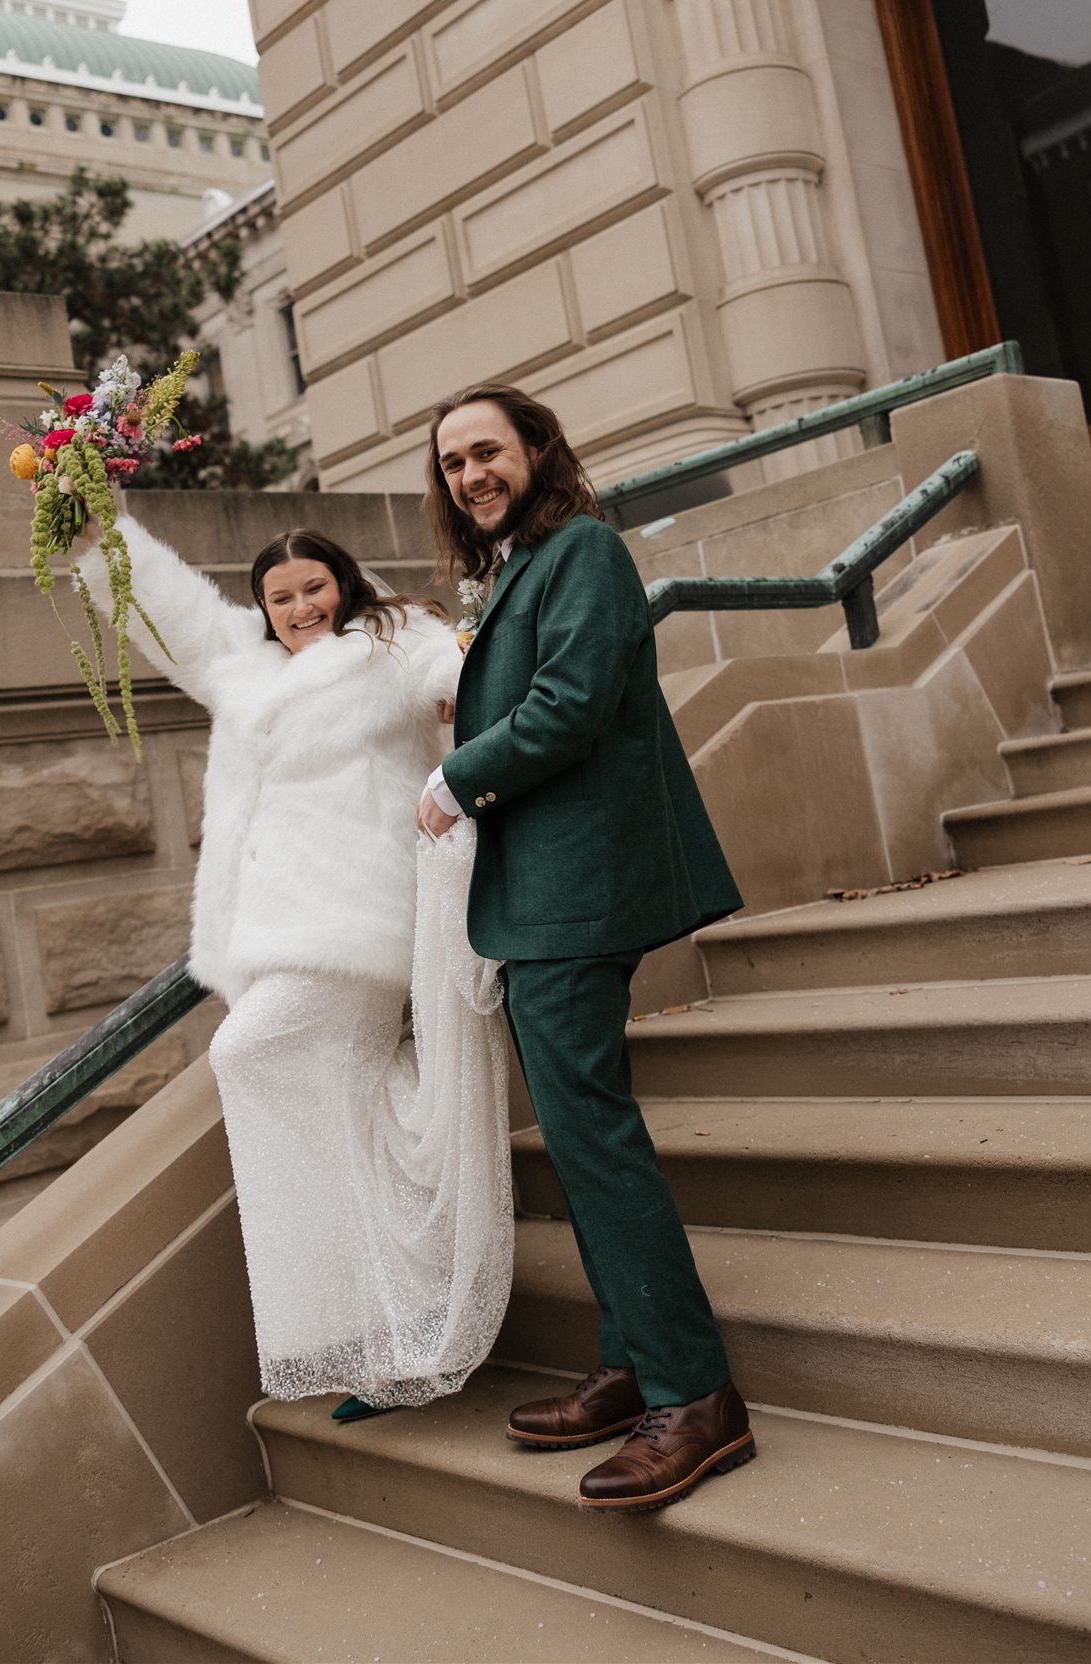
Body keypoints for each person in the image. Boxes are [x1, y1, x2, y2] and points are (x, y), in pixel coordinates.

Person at [77, 514, 513, 1417]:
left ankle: (404, 1320)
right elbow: (170, 613)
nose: (299, 607)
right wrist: (94, 536)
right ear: (263, 608)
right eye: (280, 597)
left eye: (313, 587)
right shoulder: (243, 668)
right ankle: (386, 1335)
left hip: (355, 922)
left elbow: (463, 680)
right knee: (344, 1119)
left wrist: (459, 700)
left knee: (247, 1056)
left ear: (342, 583)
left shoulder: (391, 642)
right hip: (274, 930)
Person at [416, 383, 754, 1514]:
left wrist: (457, 775)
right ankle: (631, 1361)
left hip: (576, 892)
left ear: (537, 450)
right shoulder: (516, 568)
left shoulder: (585, 553)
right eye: (454, 461)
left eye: (488, 450)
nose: (471, 473)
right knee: (576, 1131)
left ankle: (695, 1394)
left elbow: (565, 706)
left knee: (593, 1136)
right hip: (538, 895)